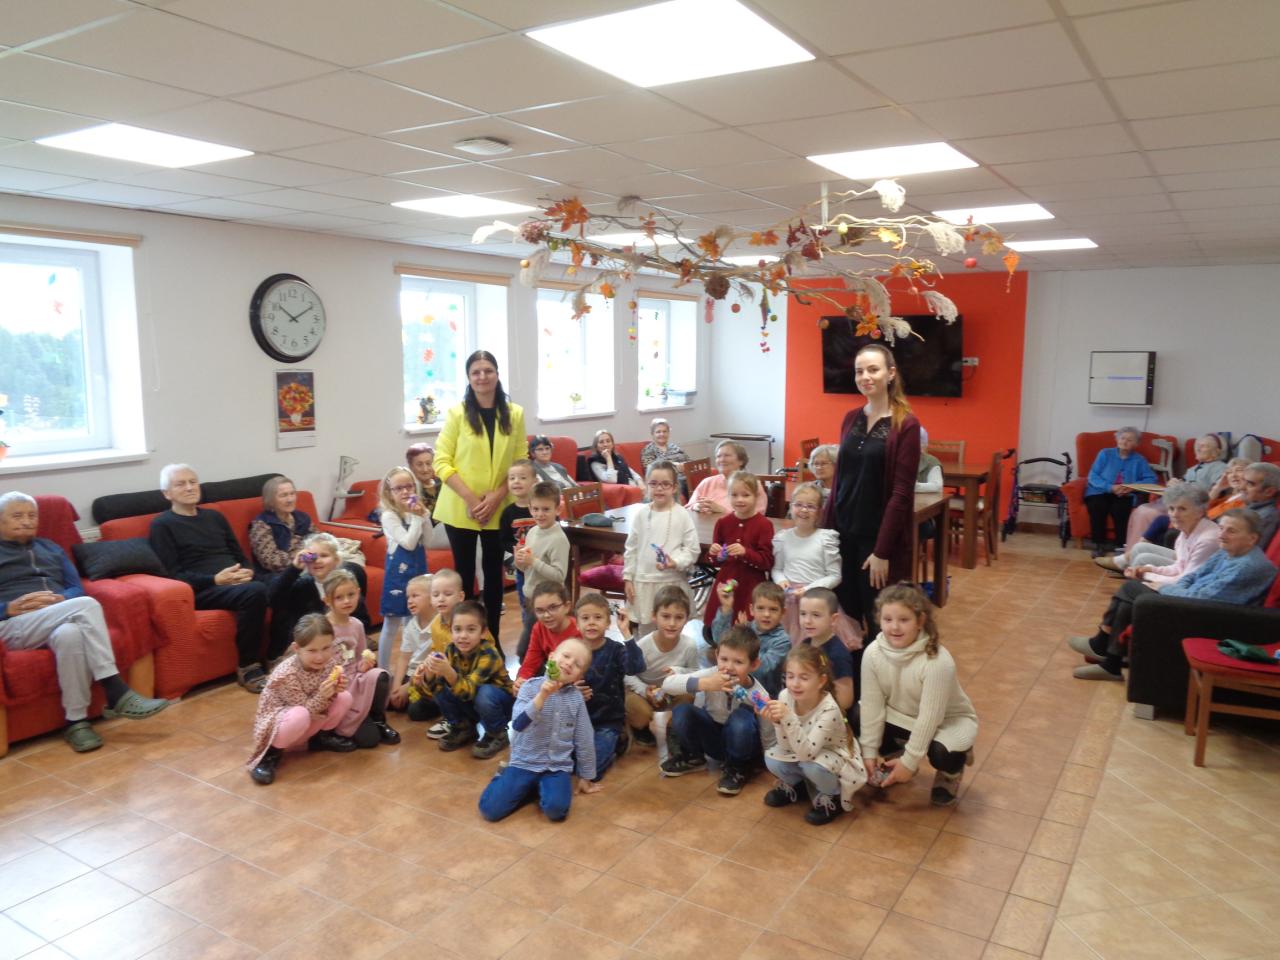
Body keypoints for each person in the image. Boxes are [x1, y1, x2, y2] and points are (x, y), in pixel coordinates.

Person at [0, 491, 171, 753]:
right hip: (14, 625)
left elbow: (75, 588)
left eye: (32, 515)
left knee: (70, 634)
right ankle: (115, 688)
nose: (26, 521)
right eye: (17, 515)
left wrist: (61, 599)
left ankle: (76, 722)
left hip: (58, 615)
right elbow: (82, 600)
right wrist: (8, 608)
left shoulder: (51, 548)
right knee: (87, 606)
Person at [1070, 508, 1278, 681]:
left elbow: (1203, 598)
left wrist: (1162, 587)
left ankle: (1104, 647)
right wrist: (1170, 586)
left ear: (1252, 538)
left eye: (1231, 531)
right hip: (1195, 601)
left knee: (1131, 589)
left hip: (1213, 617)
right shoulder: (1228, 551)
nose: (1222, 535)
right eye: (1221, 528)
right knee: (1131, 596)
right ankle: (1111, 661)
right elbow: (1194, 575)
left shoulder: (1248, 566)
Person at [823, 343, 922, 629]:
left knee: (878, 619)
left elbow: (901, 494)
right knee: (846, 619)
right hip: (842, 534)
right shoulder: (850, 418)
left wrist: (882, 551)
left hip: (876, 540)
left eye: (873, 369)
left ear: (890, 373)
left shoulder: (907, 425)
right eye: (859, 371)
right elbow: (840, 479)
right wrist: (826, 534)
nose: (865, 377)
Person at [149, 464, 270, 692]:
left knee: (291, 583)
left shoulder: (214, 517)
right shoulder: (162, 525)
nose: (189, 488)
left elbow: (238, 554)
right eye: (180, 484)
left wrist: (247, 571)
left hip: (236, 581)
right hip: (202, 590)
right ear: (167, 493)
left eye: (193, 482)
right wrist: (215, 580)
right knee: (255, 592)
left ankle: (281, 654)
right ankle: (248, 666)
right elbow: (173, 574)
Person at [434, 351, 526, 640]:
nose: (482, 376)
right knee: (463, 576)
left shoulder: (515, 413)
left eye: (488, 370)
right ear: (468, 377)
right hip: (460, 507)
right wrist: (473, 501)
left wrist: (497, 496)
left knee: (493, 575)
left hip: (499, 506)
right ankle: (463, 640)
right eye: (476, 372)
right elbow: (441, 462)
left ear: (497, 374)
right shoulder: (457, 414)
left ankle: (492, 640)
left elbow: (520, 460)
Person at [860, 583, 978, 806]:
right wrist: (869, 752)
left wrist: (910, 763)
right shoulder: (873, 653)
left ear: (920, 621)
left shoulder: (937, 660)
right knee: (859, 714)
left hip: (946, 722)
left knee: (941, 752)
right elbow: (871, 705)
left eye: (904, 620)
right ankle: (895, 755)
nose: (894, 627)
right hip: (902, 715)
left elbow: (930, 718)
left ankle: (951, 771)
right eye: (887, 619)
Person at [477, 638, 601, 822]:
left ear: (579, 676)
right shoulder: (529, 688)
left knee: (556, 811)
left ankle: (535, 788)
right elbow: (518, 725)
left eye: (577, 664)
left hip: (556, 767)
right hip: (524, 762)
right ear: (551, 657)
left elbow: (584, 737)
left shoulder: (576, 699)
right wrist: (541, 697)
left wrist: (586, 776)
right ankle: (504, 777)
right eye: (566, 656)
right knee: (490, 810)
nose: (569, 663)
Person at [659, 625, 776, 796]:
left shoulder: (758, 694)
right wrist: (704, 684)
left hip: (742, 742)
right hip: (714, 738)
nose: (729, 667)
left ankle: (738, 768)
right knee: (683, 711)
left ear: (754, 664)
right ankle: (694, 757)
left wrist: (769, 760)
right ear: (716, 656)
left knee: (740, 718)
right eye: (724, 659)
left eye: (738, 662)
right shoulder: (711, 674)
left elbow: (767, 728)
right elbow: (667, 684)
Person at [763, 645, 867, 825]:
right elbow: (786, 746)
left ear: (821, 681)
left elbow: (807, 754)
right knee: (772, 759)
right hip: (803, 749)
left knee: (813, 766)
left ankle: (832, 795)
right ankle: (800, 785)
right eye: (790, 676)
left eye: (804, 678)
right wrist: (778, 723)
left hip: (831, 756)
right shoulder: (785, 696)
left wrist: (787, 718)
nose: (795, 684)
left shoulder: (829, 709)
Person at [248, 614, 356, 785]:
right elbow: (306, 709)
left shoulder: (331, 663)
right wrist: (323, 695)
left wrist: (337, 687)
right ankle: (270, 754)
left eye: (326, 648)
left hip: (310, 716)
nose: (320, 657)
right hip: (281, 722)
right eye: (312, 650)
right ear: (297, 648)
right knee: (300, 714)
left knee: (344, 697)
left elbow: (325, 699)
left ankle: (321, 738)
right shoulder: (286, 674)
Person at [419, 599, 514, 757]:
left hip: (499, 705)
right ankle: (463, 728)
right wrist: (429, 674)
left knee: (484, 692)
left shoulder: (489, 654)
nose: (463, 636)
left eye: (471, 629)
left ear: (483, 632)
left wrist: (448, 672)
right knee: (441, 684)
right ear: (451, 631)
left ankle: (497, 733)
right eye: (457, 629)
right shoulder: (450, 650)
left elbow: (469, 690)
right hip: (471, 701)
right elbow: (431, 692)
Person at [772, 482, 858, 648]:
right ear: (791, 507)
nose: (804, 510)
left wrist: (808, 589)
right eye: (799, 505)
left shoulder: (826, 539)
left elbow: (835, 576)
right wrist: (781, 580)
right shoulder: (783, 538)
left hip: (817, 603)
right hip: (790, 603)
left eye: (810, 506)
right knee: (789, 648)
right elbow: (777, 569)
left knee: (817, 648)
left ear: (819, 511)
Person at [268, 532, 371, 670]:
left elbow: (362, 619)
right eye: (313, 557)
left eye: (324, 555)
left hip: (342, 651)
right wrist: (294, 568)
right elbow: (273, 599)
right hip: (310, 652)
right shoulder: (302, 585)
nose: (317, 561)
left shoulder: (346, 585)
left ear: (336, 560)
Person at [322, 568, 398, 748]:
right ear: (327, 600)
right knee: (370, 740)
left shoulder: (357, 625)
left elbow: (360, 658)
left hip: (356, 680)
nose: (346, 601)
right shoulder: (323, 627)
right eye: (339, 597)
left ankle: (378, 719)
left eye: (351, 595)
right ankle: (344, 724)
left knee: (381, 675)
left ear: (358, 593)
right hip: (335, 688)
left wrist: (364, 665)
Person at [1116, 433, 1226, 556]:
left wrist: (1184, 487)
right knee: (1140, 510)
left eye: (1204, 446)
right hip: (1175, 500)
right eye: (1198, 446)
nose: (1198, 449)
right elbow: (1184, 483)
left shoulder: (1220, 468)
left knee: (1147, 512)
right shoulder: (1193, 468)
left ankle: (1134, 555)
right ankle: (1131, 552)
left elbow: (1215, 492)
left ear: (1216, 451)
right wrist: (1174, 483)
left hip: (1188, 505)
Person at [622, 460, 700, 629]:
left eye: (665, 484)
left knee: (672, 629)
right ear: (647, 486)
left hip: (671, 583)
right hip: (643, 582)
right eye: (654, 484)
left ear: (674, 487)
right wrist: (628, 577)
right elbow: (631, 549)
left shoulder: (682, 515)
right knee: (646, 630)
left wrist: (676, 562)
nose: (659, 488)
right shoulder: (641, 514)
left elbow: (692, 549)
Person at [619, 585, 700, 747]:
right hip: (642, 693)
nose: (672, 623)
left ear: (686, 619)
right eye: (666, 616)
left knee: (688, 698)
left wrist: (678, 671)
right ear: (654, 616)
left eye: (679, 617)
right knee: (636, 708)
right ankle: (648, 726)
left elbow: (695, 673)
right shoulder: (643, 645)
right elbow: (627, 674)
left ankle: (664, 725)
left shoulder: (689, 645)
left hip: (670, 695)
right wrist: (644, 690)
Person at [575, 592, 645, 780]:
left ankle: (618, 739)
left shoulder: (616, 650)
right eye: (585, 618)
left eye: (598, 617)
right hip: (575, 721)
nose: (591, 623)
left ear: (608, 623)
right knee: (554, 756)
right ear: (577, 624)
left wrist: (626, 633)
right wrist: (571, 690)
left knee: (589, 770)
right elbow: (555, 683)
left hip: (607, 722)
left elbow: (637, 667)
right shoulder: (571, 650)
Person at [705, 469, 774, 630]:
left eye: (746, 495)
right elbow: (715, 560)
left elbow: (767, 562)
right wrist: (715, 554)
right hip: (726, 580)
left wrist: (745, 552)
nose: (739, 499)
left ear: (756, 496)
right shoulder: (723, 522)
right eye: (734, 495)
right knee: (721, 623)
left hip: (751, 584)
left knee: (747, 627)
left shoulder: (764, 525)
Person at [1101, 486, 1217, 580]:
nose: (1175, 515)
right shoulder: (1185, 532)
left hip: (1193, 592)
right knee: (1140, 548)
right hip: (1183, 579)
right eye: (1171, 509)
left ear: (1200, 512)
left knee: (1142, 561)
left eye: (1182, 509)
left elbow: (1185, 580)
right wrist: (1150, 569)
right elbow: (1178, 567)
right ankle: (1124, 566)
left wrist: (1147, 575)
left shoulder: (1206, 540)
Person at [377, 465, 430, 670]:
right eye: (398, 488)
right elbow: (408, 543)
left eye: (409, 486)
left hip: (418, 573)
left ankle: (410, 667)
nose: (405, 491)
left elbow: (428, 540)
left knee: (413, 622)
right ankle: (383, 669)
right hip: (398, 577)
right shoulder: (389, 516)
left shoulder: (416, 512)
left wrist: (424, 517)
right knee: (391, 624)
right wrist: (417, 518)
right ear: (389, 492)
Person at [1082, 427, 1158, 557]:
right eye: (1122, 438)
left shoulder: (1139, 460)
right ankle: (1098, 544)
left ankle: (1121, 546)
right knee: (1097, 506)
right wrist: (1110, 487)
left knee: (1121, 509)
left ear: (1136, 444)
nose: (1125, 442)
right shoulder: (1105, 454)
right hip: (1099, 491)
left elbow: (1152, 479)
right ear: (1117, 439)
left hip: (1124, 494)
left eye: (1130, 440)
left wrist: (1132, 487)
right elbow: (1093, 476)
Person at [515, 482, 570, 660]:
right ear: (530, 508)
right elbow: (526, 568)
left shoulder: (558, 539)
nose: (540, 514)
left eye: (546, 509)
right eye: (536, 509)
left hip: (548, 603)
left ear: (557, 509)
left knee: (529, 651)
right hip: (530, 599)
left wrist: (533, 561)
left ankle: (534, 674)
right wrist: (520, 561)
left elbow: (559, 575)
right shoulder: (532, 532)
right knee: (533, 648)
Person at [709, 581, 789, 697]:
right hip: (733, 690)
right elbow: (720, 641)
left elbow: (763, 668)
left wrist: (742, 642)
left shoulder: (783, 640)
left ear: (783, 612)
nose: (766, 614)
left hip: (763, 697)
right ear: (751, 609)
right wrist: (726, 608)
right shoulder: (746, 627)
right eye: (760, 608)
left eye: (773, 609)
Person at [500, 459, 537, 656]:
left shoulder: (539, 507)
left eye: (522, 477)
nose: (516, 481)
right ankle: (530, 640)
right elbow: (503, 539)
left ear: (534, 481)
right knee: (526, 604)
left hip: (542, 564)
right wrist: (515, 548)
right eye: (512, 478)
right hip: (522, 568)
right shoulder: (508, 513)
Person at [796, 588, 855, 712]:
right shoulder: (805, 644)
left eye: (816, 615)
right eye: (803, 614)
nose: (807, 621)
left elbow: (845, 700)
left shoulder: (838, 655)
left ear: (833, 619)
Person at [248, 475, 313, 578]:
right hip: (277, 576)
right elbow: (272, 561)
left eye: (292, 494)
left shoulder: (302, 518)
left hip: (308, 566)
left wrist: (315, 555)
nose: (290, 499)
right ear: (270, 500)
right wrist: (309, 557)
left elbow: (320, 541)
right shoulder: (261, 524)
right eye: (283, 495)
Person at [517, 581, 581, 680]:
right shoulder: (539, 628)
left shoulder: (579, 631)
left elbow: (583, 669)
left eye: (553, 607)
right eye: (540, 610)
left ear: (567, 606)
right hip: (555, 677)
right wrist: (521, 678)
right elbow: (531, 661)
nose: (546, 615)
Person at [686, 440, 767, 516]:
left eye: (727, 455)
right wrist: (697, 507)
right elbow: (687, 508)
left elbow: (758, 516)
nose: (722, 460)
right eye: (718, 456)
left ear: (741, 461)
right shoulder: (707, 482)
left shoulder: (752, 484)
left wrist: (723, 511)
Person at [1241, 462, 1280, 549]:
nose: (1242, 487)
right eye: (1243, 480)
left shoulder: (1265, 517)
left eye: (1250, 484)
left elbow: (1244, 551)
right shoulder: (1250, 506)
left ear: (1269, 492)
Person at [405, 442, 442, 518]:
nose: (425, 469)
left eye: (428, 463)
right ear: (411, 467)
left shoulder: (443, 483)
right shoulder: (409, 491)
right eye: (419, 465)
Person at [914, 430, 943, 494]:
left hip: (925, 499)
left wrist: (913, 486)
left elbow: (937, 486)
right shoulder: (896, 460)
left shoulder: (931, 461)